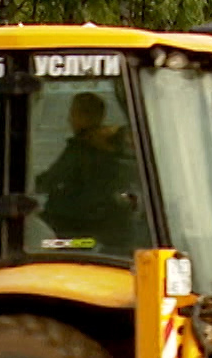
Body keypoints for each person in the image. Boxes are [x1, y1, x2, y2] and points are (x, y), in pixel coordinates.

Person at [34, 91, 137, 251]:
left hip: (76, 231)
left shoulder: (83, 150)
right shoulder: (120, 149)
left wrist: (27, 184)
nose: (69, 119)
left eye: (74, 113)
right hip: (111, 232)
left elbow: (51, 180)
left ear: (87, 116)